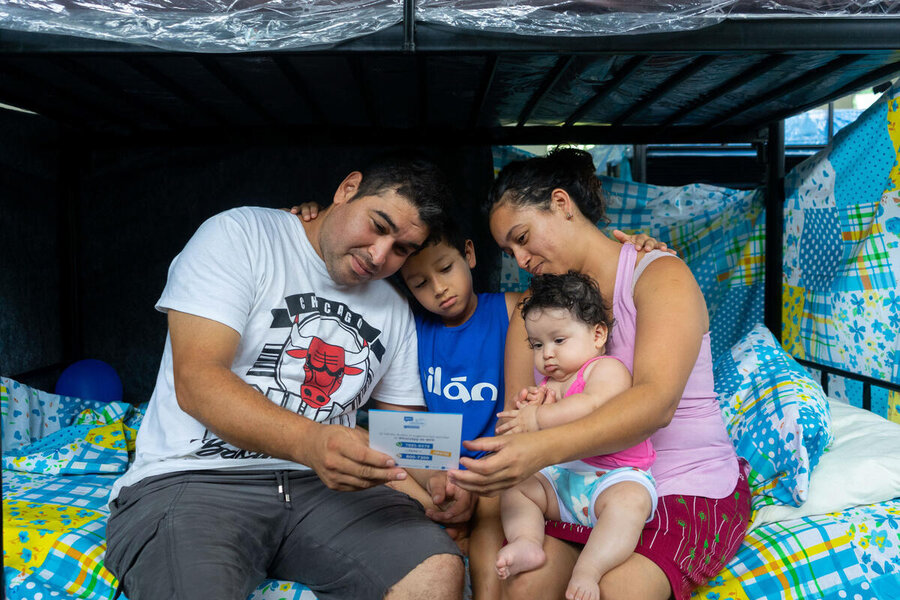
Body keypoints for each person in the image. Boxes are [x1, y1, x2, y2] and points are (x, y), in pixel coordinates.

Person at [104, 154, 470, 600]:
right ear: (348, 189)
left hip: (329, 492)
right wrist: (312, 442)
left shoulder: (393, 306)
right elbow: (197, 381)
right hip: (196, 478)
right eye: (378, 225)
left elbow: (404, 431)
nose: (380, 256)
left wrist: (440, 482)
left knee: (438, 573)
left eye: (401, 249)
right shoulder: (240, 234)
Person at [450, 147, 751, 600]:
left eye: (523, 236)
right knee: (527, 585)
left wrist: (538, 446)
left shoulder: (658, 276)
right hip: (579, 486)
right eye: (510, 250)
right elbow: (519, 425)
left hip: (681, 481)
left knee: (617, 591)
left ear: (561, 204)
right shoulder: (532, 317)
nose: (520, 258)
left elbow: (656, 403)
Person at [494, 271, 657, 600]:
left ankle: (589, 569)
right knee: (515, 485)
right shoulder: (546, 386)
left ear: (597, 335)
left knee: (630, 503)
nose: (547, 354)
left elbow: (591, 405)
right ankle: (526, 540)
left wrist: (538, 418)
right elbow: (532, 433)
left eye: (558, 340)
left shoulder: (606, 369)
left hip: (613, 477)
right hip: (562, 479)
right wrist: (518, 417)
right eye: (537, 345)